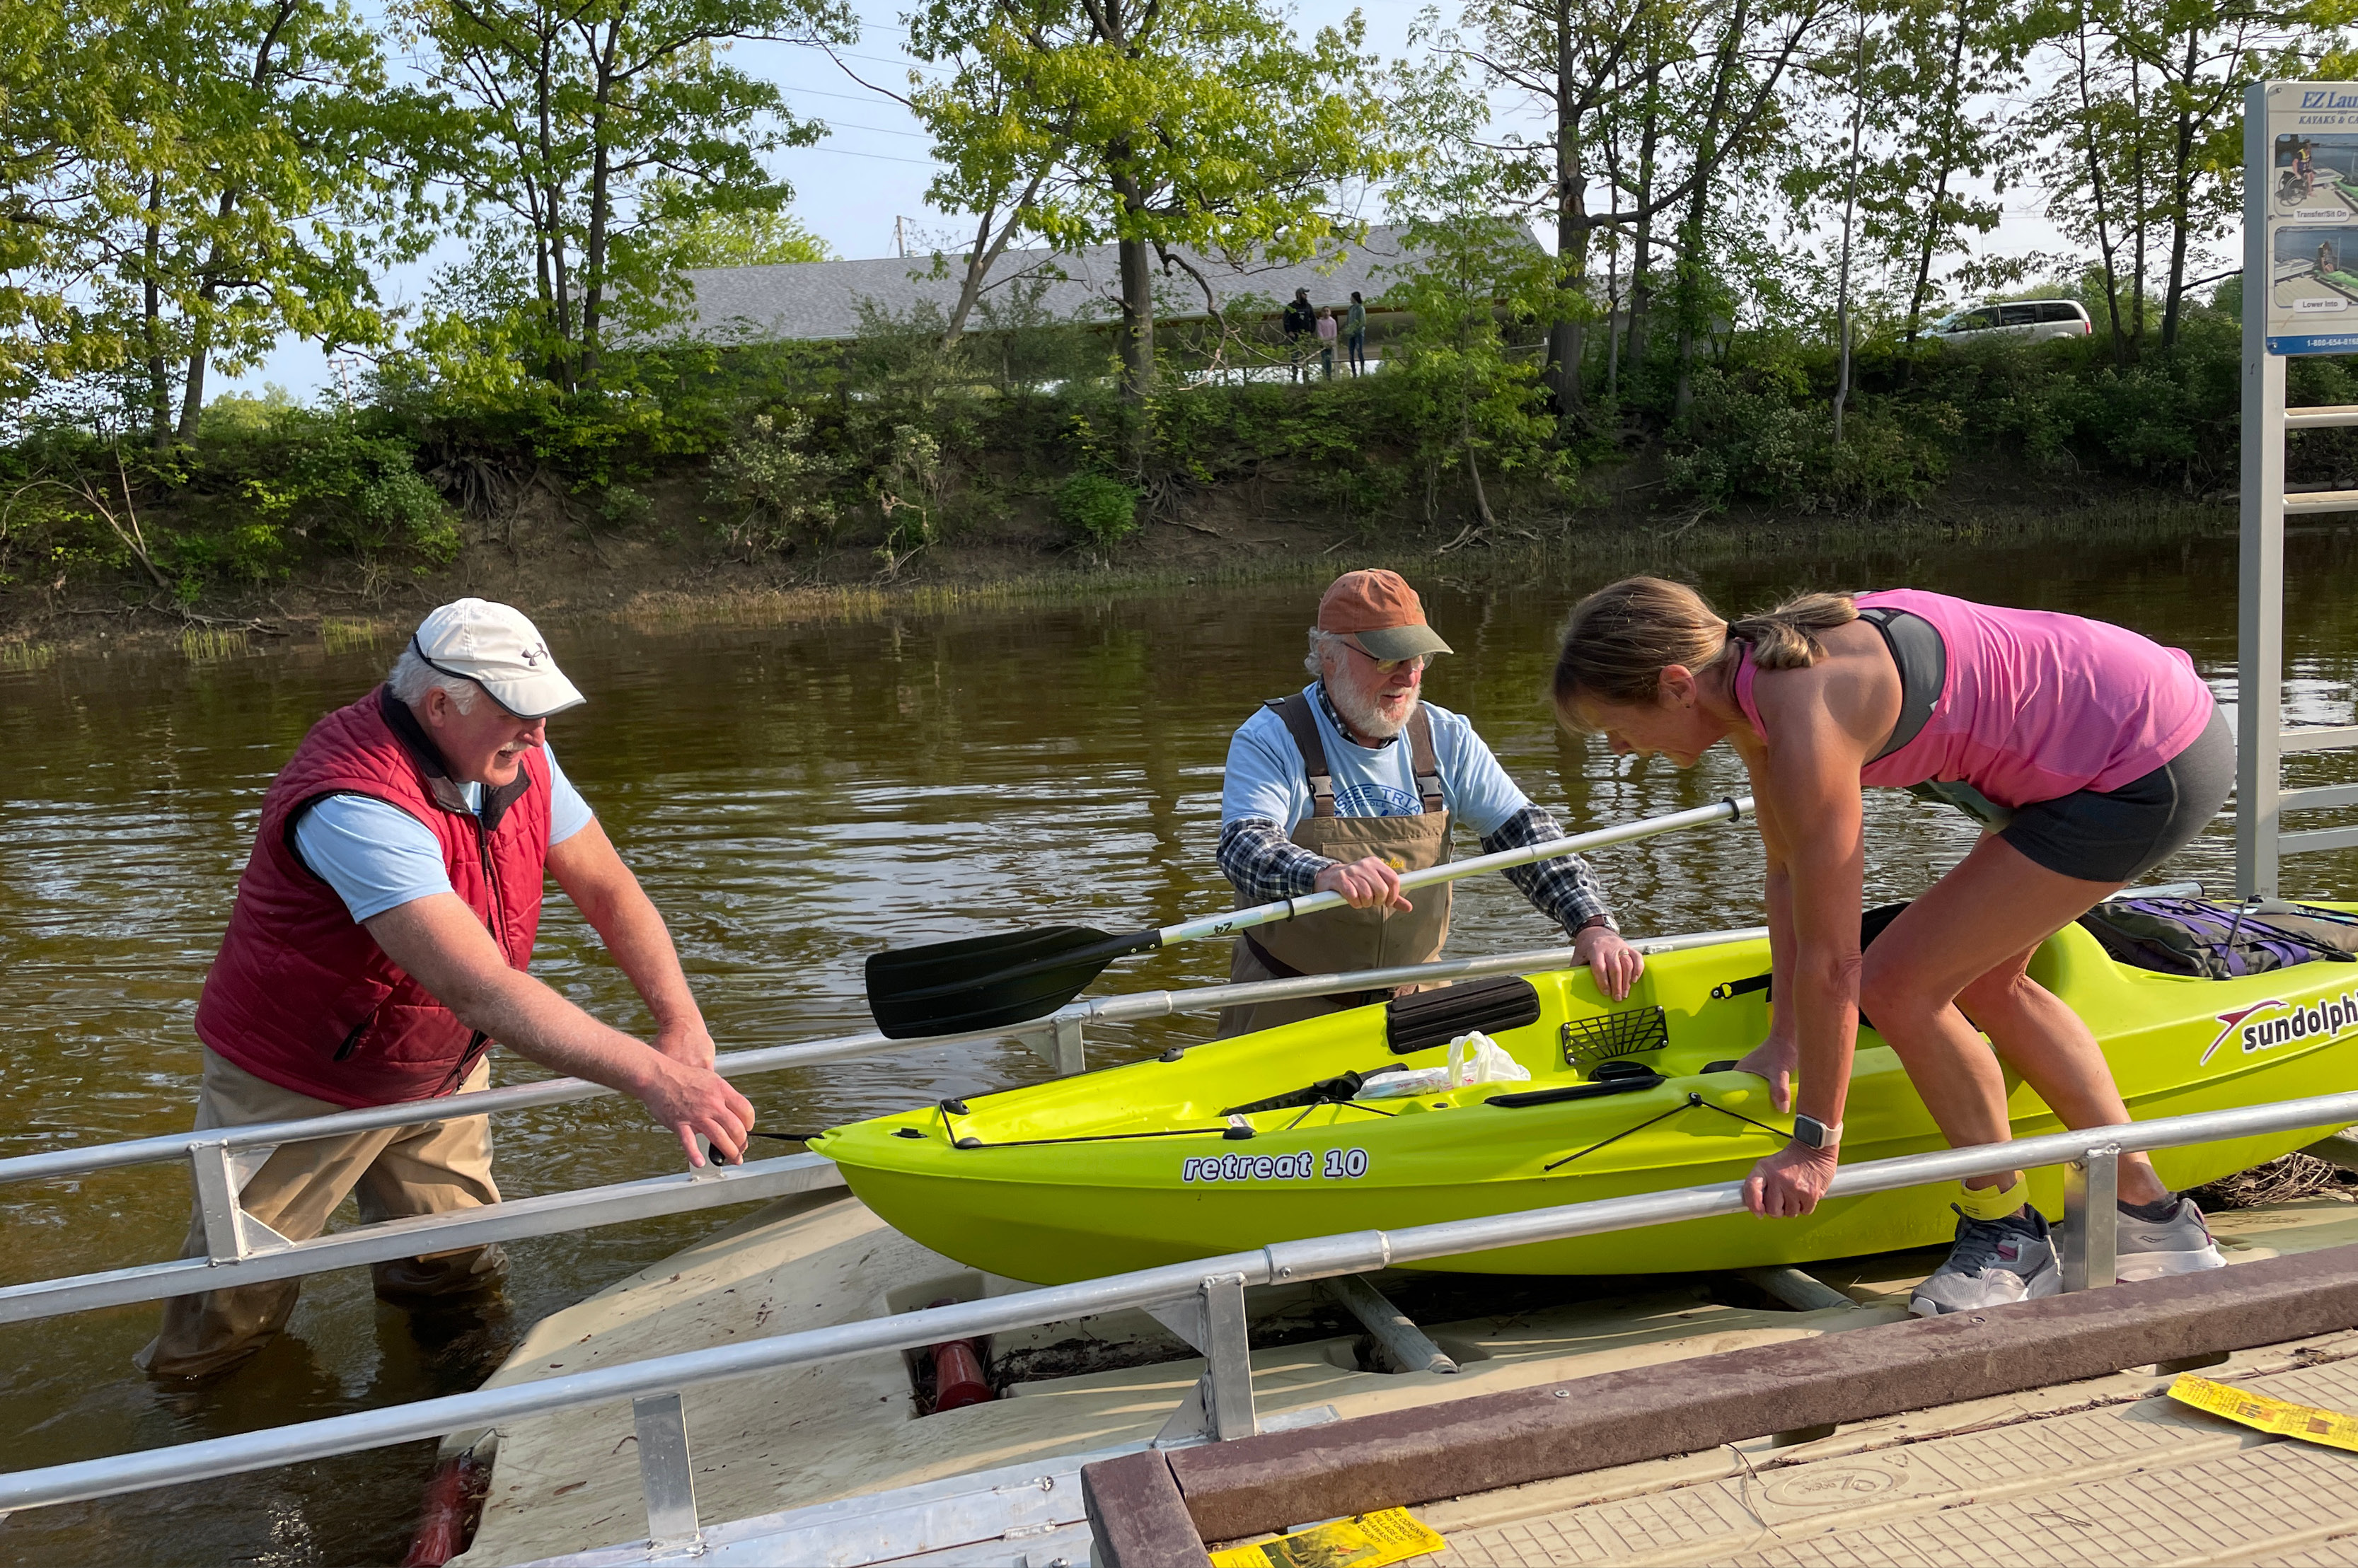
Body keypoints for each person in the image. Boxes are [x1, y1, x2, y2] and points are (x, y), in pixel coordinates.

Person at [1551, 579, 2232, 1317]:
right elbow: (1787, 873)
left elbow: (1836, 962)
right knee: (1982, 980)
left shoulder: (1807, 710)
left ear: (1675, 686)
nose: (1618, 747)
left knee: (1899, 984)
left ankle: (2006, 1235)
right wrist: (1785, 1037)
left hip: (2144, 758)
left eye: (1613, 726)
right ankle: (2149, 1218)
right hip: (2108, 739)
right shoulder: (1750, 688)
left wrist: (1815, 1144)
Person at [138, 598, 756, 1379]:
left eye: (542, 714)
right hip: (301, 1082)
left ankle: (453, 1422)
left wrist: (681, 1021)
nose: (539, 736)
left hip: (440, 1069)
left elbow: (608, 888)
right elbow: (482, 989)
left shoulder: (518, 759)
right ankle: (199, 1433)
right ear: (439, 705)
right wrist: (654, 1077)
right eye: (519, 714)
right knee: (228, 1317)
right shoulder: (354, 802)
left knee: (456, 1277)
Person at [1216, 569, 1641, 1037]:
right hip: (1287, 1005)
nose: (1409, 675)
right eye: (1387, 658)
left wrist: (1592, 924)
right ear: (1328, 655)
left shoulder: (1447, 737)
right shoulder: (1271, 737)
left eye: (1418, 656)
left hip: (1418, 1006)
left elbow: (1526, 836)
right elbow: (1244, 846)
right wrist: (1325, 873)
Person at [1282, 288, 1316, 383]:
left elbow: (1313, 319)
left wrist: (1311, 331)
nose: (1306, 296)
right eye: (1304, 294)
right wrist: (1289, 331)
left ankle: (1306, 377)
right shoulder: (1291, 306)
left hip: (1305, 335)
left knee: (1306, 356)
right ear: (1299, 294)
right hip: (1295, 335)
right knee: (1295, 356)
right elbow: (1286, 320)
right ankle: (1294, 378)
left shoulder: (1308, 306)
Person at [1346, 291, 1368, 376]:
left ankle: (1362, 372)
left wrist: (1356, 331)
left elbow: (1362, 322)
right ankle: (1354, 373)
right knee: (1351, 353)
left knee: (1359, 352)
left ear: (1355, 298)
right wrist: (1348, 330)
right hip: (1351, 334)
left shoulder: (1360, 308)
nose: (1350, 299)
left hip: (1358, 334)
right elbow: (1348, 321)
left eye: (1351, 297)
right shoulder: (1350, 309)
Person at [1316, 307, 1339, 381]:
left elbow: (1334, 333)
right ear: (1322, 313)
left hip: (1330, 343)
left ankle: (1329, 375)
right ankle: (1324, 375)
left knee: (1329, 359)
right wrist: (1323, 341)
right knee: (1324, 358)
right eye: (1324, 311)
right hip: (1323, 343)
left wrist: (1331, 341)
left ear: (1330, 312)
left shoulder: (1333, 321)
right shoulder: (1320, 322)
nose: (1326, 312)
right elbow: (1320, 332)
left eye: (1327, 311)